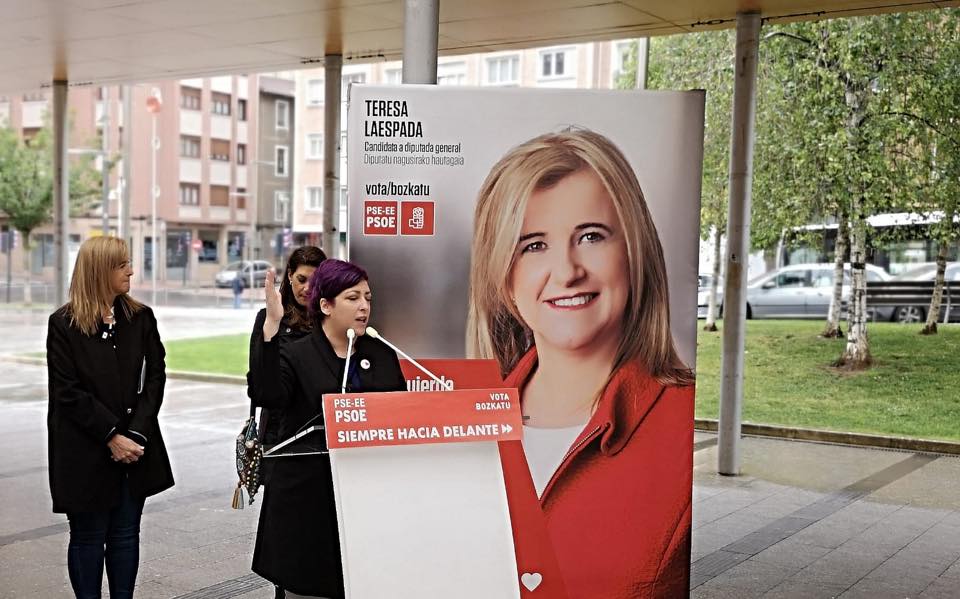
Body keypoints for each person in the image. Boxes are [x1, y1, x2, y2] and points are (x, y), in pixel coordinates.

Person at [467, 129, 696, 598]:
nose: (568, 271)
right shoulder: (463, 426)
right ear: (503, 276)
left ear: (634, 253)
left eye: (591, 236)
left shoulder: (682, 422)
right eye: (533, 245)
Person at [252, 259, 407, 599]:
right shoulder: (296, 354)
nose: (364, 306)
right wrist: (271, 328)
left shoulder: (381, 354)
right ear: (325, 305)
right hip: (308, 507)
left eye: (368, 297)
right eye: (353, 298)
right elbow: (266, 394)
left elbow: (400, 419)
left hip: (366, 504)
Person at [46, 236, 173, 599]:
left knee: (124, 535)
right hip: (85, 451)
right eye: (122, 265)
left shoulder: (140, 318)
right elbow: (67, 392)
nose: (131, 270)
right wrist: (112, 436)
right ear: (100, 270)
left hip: (135, 449)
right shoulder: (64, 324)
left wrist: (136, 435)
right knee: (88, 537)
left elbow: (156, 377)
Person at [246, 245, 326, 599]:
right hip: (282, 440)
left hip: (323, 438)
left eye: (315, 279)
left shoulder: (332, 319)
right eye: (300, 279)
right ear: (289, 278)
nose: (307, 287)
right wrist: (272, 324)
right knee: (285, 535)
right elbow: (258, 381)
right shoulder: (272, 317)